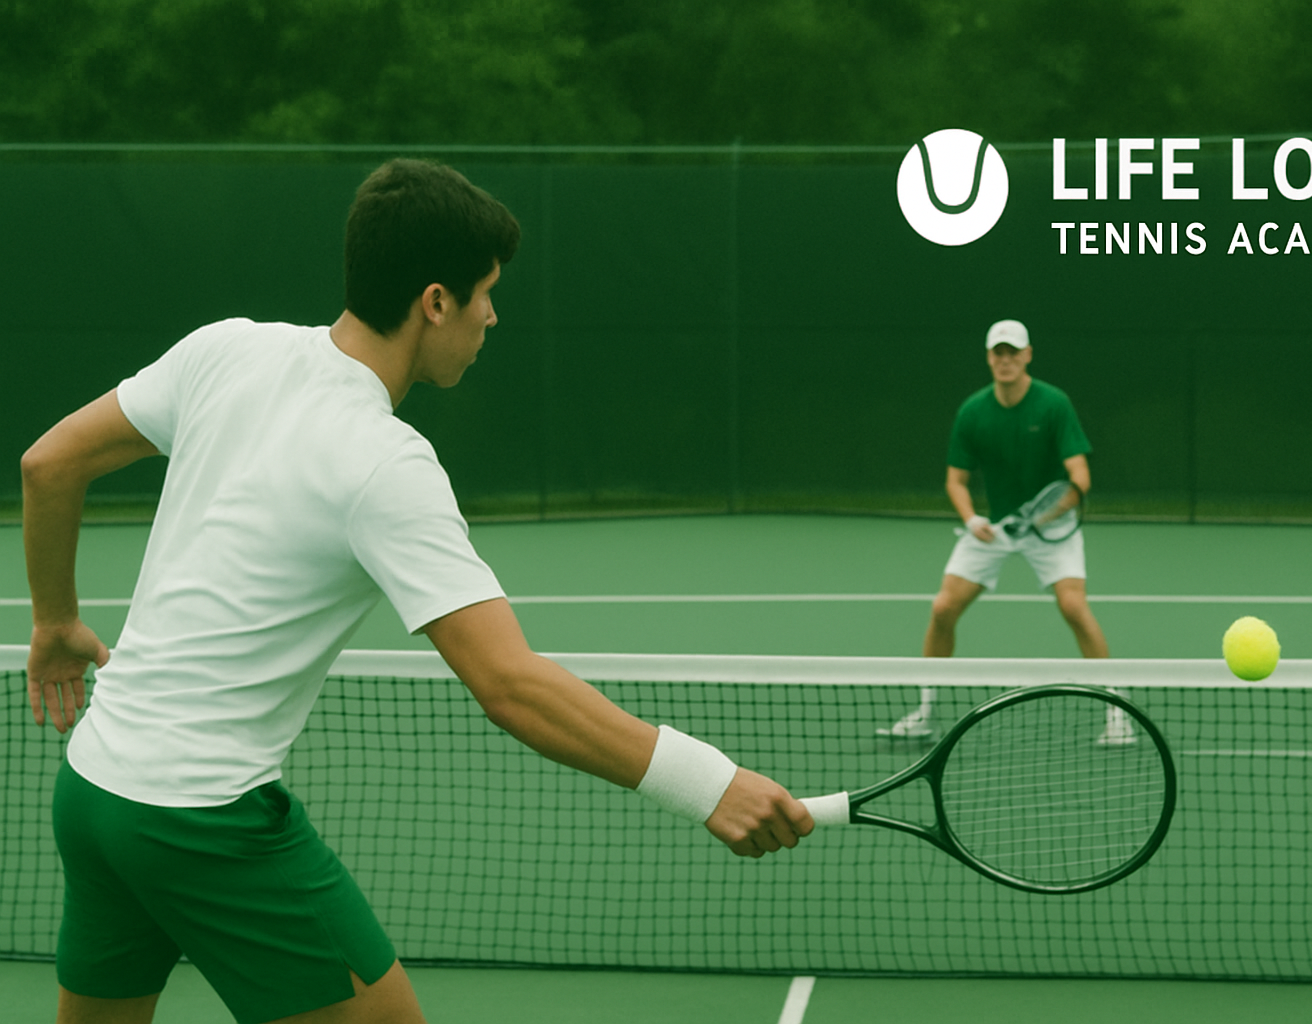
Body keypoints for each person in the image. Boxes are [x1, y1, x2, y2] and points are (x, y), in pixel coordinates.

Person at [22, 158, 813, 1024]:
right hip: (202, 822)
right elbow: (509, 684)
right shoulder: (385, 464)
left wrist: (56, 621)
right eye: (484, 295)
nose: (492, 316)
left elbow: (49, 462)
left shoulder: (225, 348)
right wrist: (710, 783)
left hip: (94, 790)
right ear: (434, 302)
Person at [882, 319, 1110, 738]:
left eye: (1013, 352)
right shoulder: (973, 411)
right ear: (989, 358)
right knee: (943, 608)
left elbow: (1080, 477)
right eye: (997, 353)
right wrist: (971, 518)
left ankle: (1119, 712)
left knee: (1074, 608)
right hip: (996, 527)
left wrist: (1042, 517)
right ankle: (925, 710)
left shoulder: (1053, 404)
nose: (1005, 360)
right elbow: (956, 480)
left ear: (1027, 355)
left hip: (1049, 525)